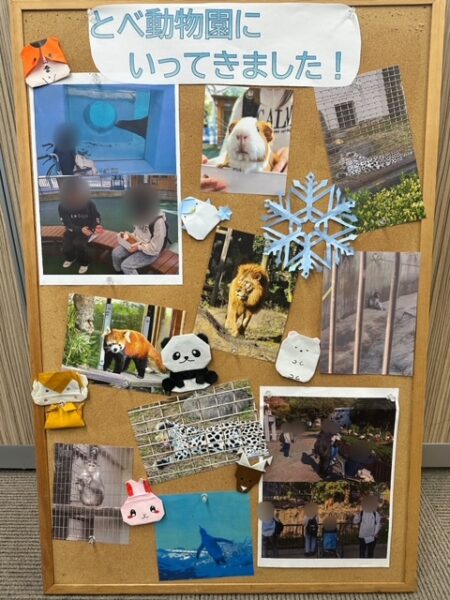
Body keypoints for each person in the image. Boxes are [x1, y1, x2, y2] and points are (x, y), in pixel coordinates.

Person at [201, 87, 294, 191]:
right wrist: (208, 170)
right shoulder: (246, 100)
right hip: (245, 186)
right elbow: (226, 153)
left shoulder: (305, 99)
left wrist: (298, 155)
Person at [112, 184, 169, 275]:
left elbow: (155, 249)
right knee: (115, 253)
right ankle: (118, 272)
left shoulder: (158, 221)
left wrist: (138, 247)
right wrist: (128, 237)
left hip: (151, 251)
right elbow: (137, 233)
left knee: (126, 266)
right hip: (137, 244)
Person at [58, 177, 101, 274]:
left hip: (88, 229)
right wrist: (80, 230)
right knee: (66, 248)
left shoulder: (89, 203)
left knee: (78, 244)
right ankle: (71, 258)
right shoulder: (62, 206)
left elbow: (96, 217)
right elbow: (67, 223)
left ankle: (85, 263)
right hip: (72, 229)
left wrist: (95, 227)